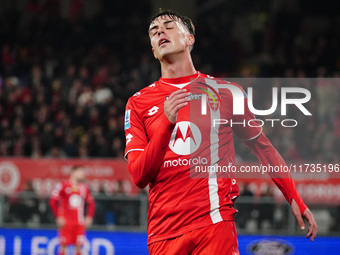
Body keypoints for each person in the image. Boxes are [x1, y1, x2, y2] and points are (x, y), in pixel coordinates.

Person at [124, 11, 317, 254]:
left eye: (169, 26)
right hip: (163, 232)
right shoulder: (138, 103)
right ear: (153, 50)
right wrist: (165, 124)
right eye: (154, 31)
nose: (160, 31)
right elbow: (139, 176)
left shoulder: (226, 92)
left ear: (189, 39)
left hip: (214, 223)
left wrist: (293, 197)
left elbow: (263, 148)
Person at [49, 165, 95, 255]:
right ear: (73, 172)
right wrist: (58, 217)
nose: (83, 175)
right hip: (66, 222)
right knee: (63, 246)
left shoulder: (84, 187)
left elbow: (91, 203)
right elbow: (52, 201)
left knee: (78, 247)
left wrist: (89, 216)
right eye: (81, 172)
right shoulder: (63, 185)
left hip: (79, 222)